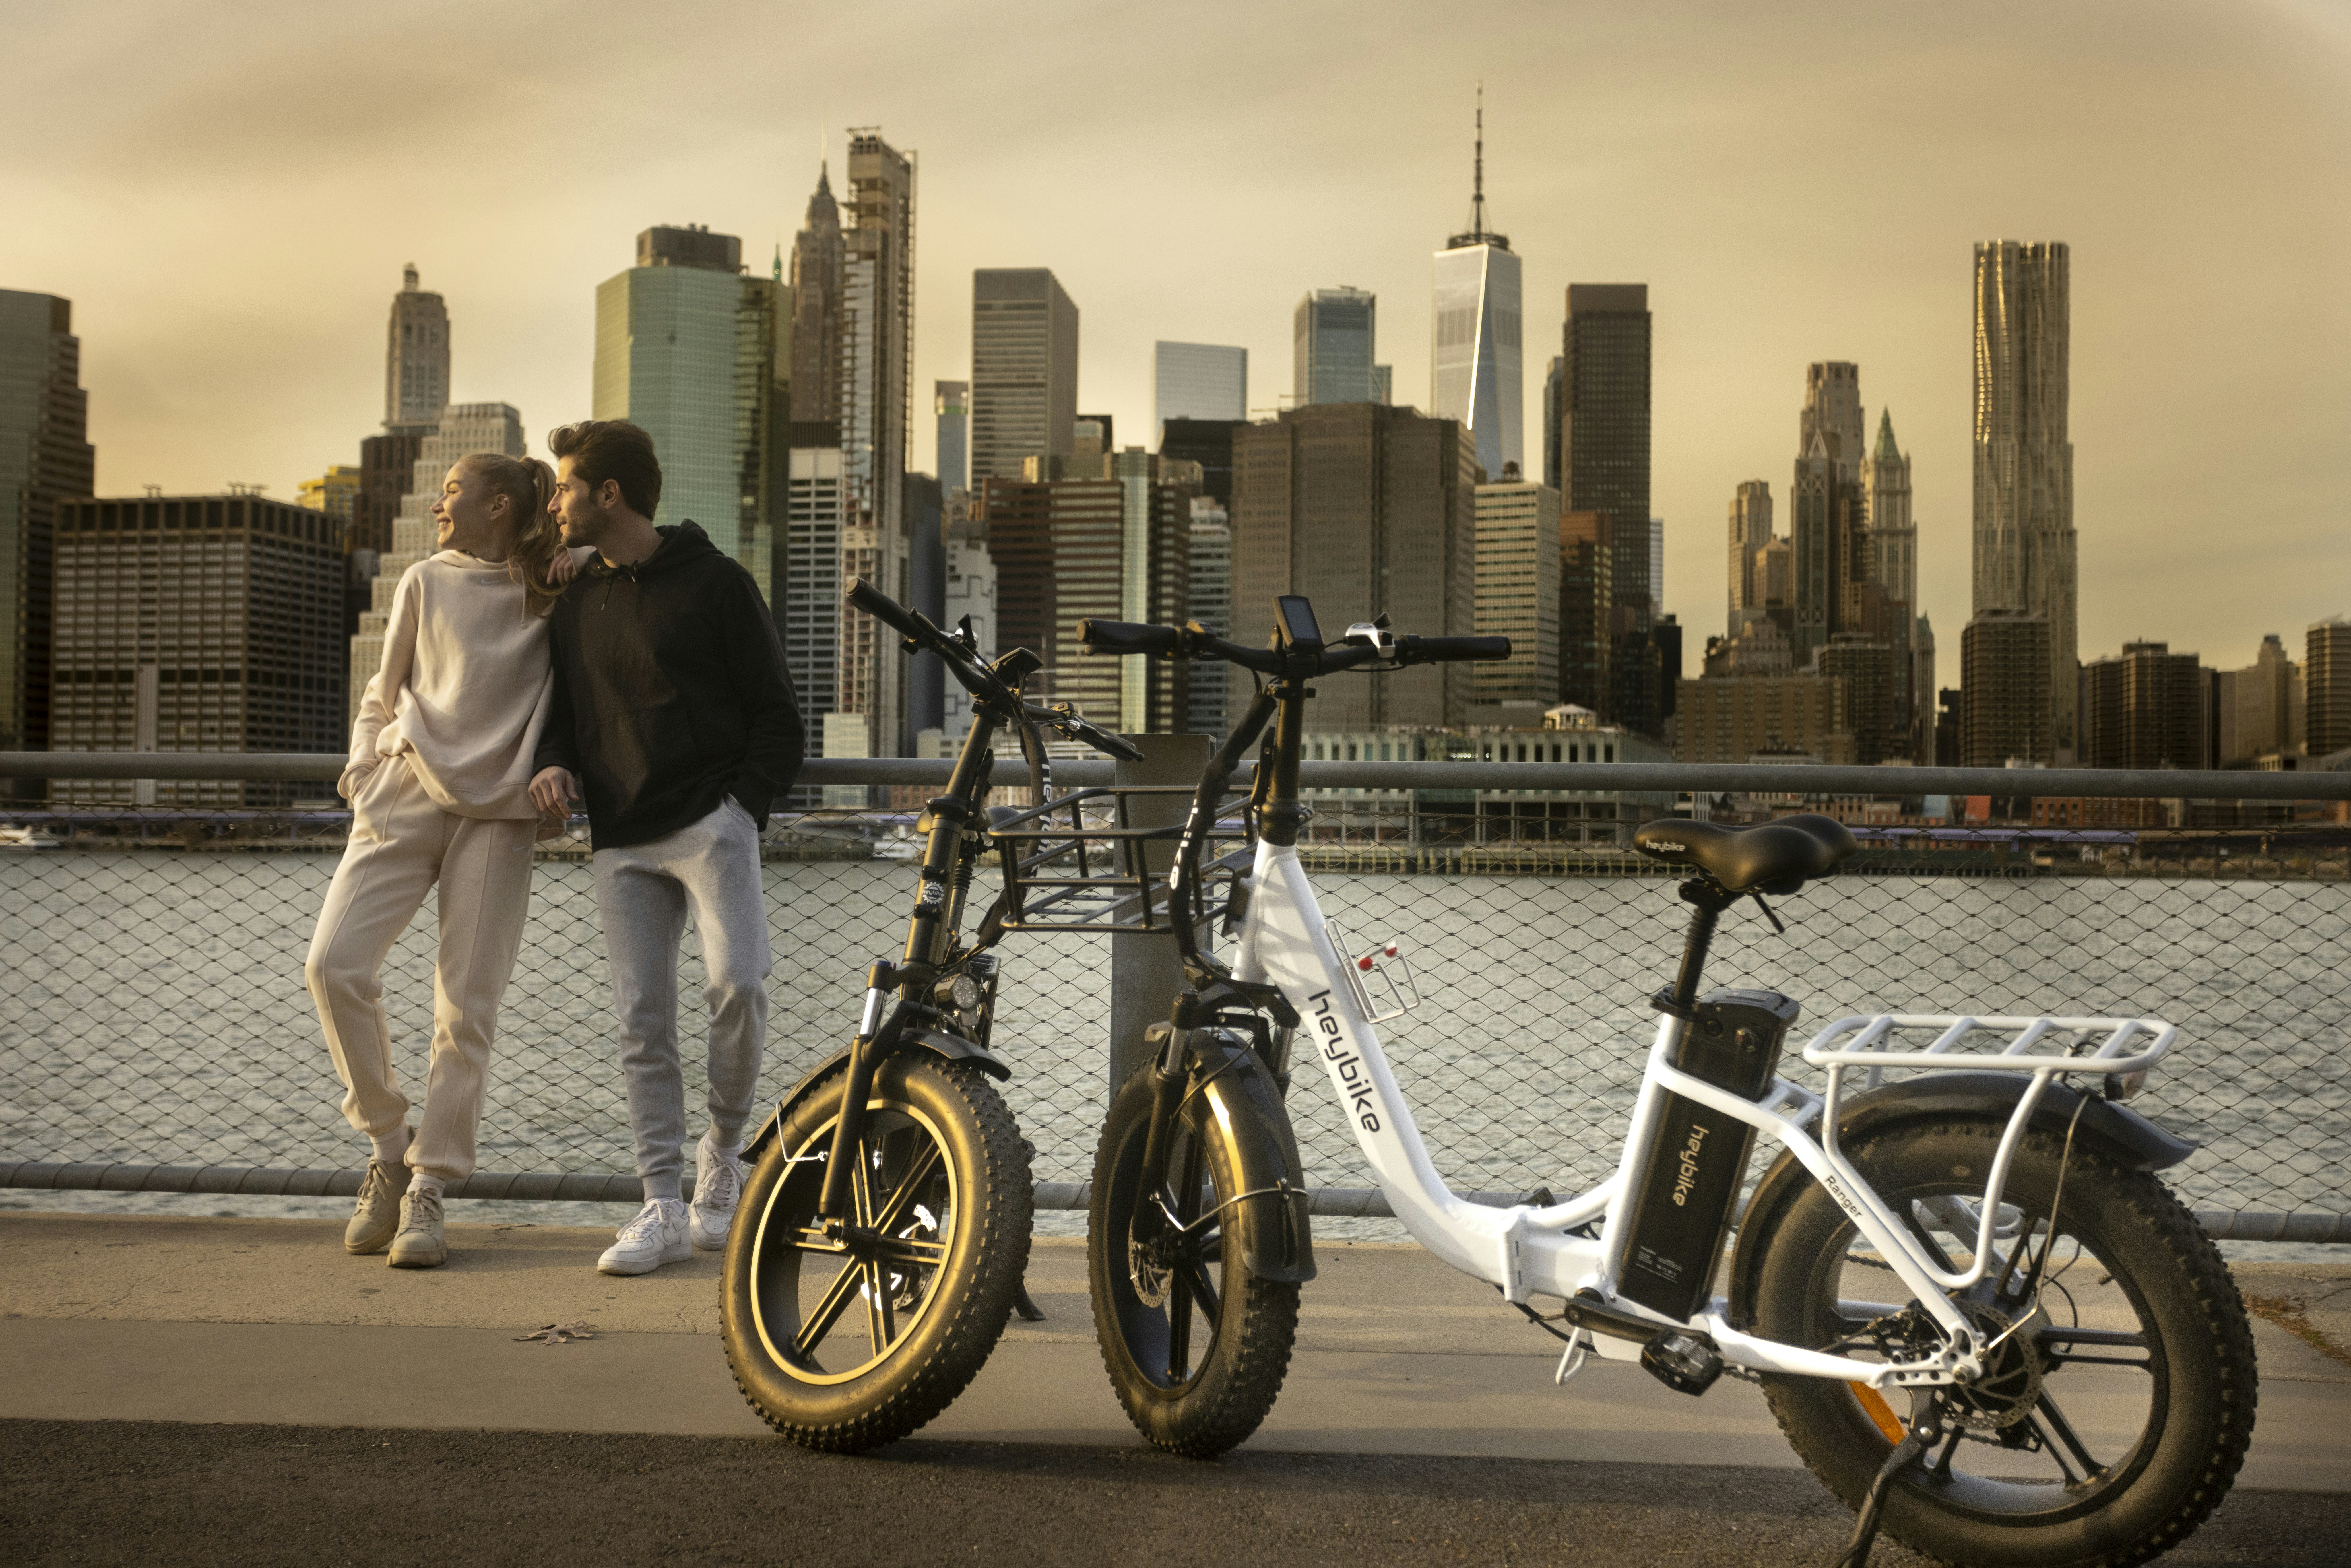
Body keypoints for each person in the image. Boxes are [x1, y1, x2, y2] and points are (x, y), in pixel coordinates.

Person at [527, 420, 804, 1277]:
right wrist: (553, 764)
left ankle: (722, 1155)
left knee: (740, 986)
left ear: (608, 495)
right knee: (642, 1022)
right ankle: (660, 1205)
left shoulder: (717, 583)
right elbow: (565, 713)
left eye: (566, 487)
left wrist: (739, 809)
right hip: (620, 838)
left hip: (710, 826)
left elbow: (778, 713)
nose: (555, 502)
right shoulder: (573, 599)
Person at [308, 453, 589, 1269]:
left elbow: (638, 560)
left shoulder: (556, 589)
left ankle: (429, 1187)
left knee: (464, 1011)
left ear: (499, 506)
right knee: (333, 965)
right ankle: (389, 1147)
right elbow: (381, 691)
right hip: (403, 790)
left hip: (501, 815)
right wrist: (364, 774)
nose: (441, 501)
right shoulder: (424, 580)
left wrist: (584, 561)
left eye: (455, 490)